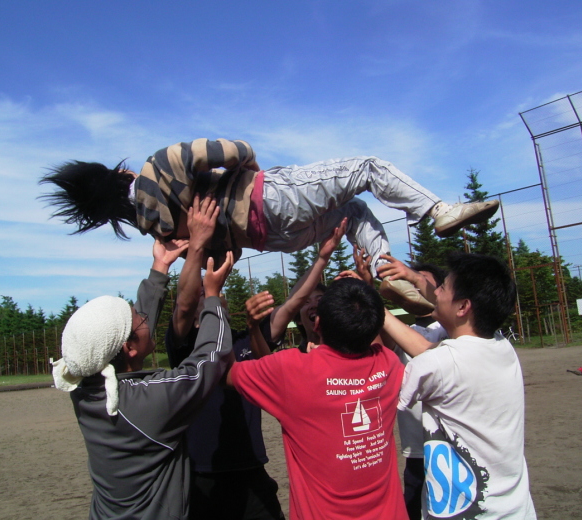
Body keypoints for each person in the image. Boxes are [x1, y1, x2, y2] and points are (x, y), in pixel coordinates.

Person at [40, 138, 499, 310]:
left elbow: (224, 255)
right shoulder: (156, 167)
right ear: (116, 174)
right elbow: (232, 149)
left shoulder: (158, 229)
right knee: (367, 168)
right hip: (269, 198)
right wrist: (250, 168)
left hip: (272, 238)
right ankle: (437, 211)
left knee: (354, 213)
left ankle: (386, 271)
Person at [52, 236, 236, 520]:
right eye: (136, 317)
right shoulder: (144, 403)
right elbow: (209, 361)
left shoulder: (86, 385)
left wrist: (160, 267)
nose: (143, 316)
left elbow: (126, 332)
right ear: (129, 348)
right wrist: (212, 297)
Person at [227, 278, 408, 520]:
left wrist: (220, 311)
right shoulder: (388, 363)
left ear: (319, 323)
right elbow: (374, 337)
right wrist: (366, 289)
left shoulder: (292, 370)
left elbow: (227, 373)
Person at [380, 252, 537, 520]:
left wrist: (372, 303)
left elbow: (423, 361)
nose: (435, 293)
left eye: (442, 288)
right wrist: (414, 278)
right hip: (515, 511)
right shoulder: (501, 346)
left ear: (463, 306)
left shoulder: (436, 364)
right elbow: (430, 348)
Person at [163, 194, 285, 520]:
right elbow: (185, 304)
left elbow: (288, 310)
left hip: (250, 468)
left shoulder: (243, 340)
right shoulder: (185, 348)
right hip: (202, 474)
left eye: (215, 300)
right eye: (204, 301)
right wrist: (196, 245)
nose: (210, 300)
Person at [376, 256, 448, 520]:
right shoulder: (403, 330)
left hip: (450, 446)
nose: (415, 285)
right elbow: (382, 339)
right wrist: (367, 285)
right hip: (416, 449)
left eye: (423, 281)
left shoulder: (452, 330)